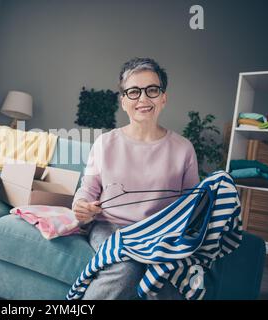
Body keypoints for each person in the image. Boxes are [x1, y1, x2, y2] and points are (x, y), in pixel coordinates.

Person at [72, 57, 200, 300]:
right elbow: (87, 191)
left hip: (159, 234)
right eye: (133, 91)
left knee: (167, 276)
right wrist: (81, 206)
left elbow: (191, 206)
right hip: (110, 227)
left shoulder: (184, 149)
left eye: (152, 90)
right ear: (123, 101)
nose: (142, 98)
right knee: (126, 267)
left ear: (163, 97)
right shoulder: (105, 143)